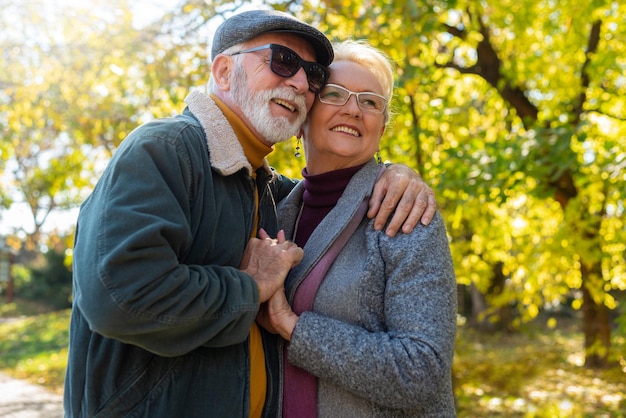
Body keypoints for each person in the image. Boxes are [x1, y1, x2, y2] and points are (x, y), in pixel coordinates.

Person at [63, 10, 437, 418]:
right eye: (282, 61)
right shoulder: (166, 149)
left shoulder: (268, 191)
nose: (298, 82)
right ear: (223, 71)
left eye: (312, 75)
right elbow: (117, 295)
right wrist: (248, 287)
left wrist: (396, 174)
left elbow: (331, 194)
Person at [258, 40, 457, 417]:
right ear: (303, 115)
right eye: (335, 94)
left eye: (370, 101)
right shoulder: (275, 211)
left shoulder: (404, 214)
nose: (353, 108)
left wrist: (294, 327)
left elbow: (421, 371)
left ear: (381, 128)